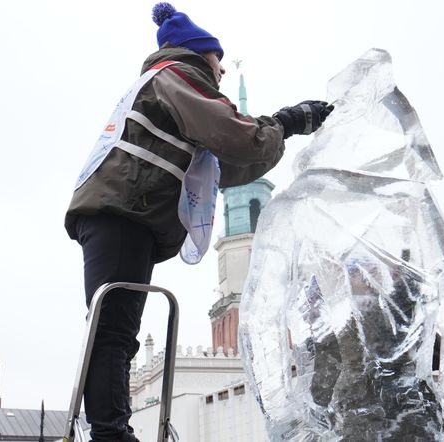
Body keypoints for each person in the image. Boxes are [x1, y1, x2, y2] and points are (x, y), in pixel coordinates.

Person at [64, 2, 334, 441]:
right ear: (197, 52)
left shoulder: (167, 85)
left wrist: (281, 132)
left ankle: (110, 428)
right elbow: (236, 136)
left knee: (116, 328)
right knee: (113, 330)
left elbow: (221, 169)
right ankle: (110, 433)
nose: (222, 69)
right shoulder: (177, 76)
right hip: (123, 211)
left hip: (124, 212)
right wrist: (284, 121)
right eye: (217, 57)